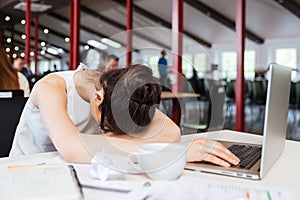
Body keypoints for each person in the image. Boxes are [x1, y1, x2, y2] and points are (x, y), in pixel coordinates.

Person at [9, 64, 239, 167]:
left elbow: (171, 131)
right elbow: (71, 148)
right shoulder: (52, 87)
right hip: (26, 171)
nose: (111, 134)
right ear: (97, 98)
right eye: (108, 126)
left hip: (81, 172)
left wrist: (162, 146)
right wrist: (168, 153)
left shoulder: (121, 91)